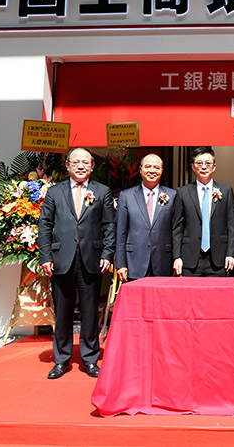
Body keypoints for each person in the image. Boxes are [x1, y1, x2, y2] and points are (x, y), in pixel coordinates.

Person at [37, 147, 115, 379]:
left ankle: (90, 359)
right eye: (76, 162)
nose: (81, 166)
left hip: (92, 259)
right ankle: (61, 359)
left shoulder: (102, 191)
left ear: (92, 166)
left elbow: (109, 225)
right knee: (63, 311)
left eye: (85, 162)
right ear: (68, 165)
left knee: (90, 311)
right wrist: (46, 256)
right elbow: (45, 225)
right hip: (61, 259)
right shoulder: (55, 192)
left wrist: (107, 253)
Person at [172, 146, 234, 276]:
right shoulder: (183, 192)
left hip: (218, 258)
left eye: (208, 163)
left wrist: (231, 253)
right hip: (189, 257)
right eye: (199, 163)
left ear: (214, 167)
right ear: (193, 167)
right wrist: (177, 256)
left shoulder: (226, 191)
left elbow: (232, 226)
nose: (203, 167)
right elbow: (177, 228)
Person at [115, 153, 177, 282]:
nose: (152, 171)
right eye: (148, 166)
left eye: (156, 167)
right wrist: (121, 264)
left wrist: (176, 258)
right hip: (134, 262)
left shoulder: (172, 196)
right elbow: (121, 232)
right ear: (140, 169)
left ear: (162, 170)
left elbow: (176, 231)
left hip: (163, 261)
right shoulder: (126, 196)